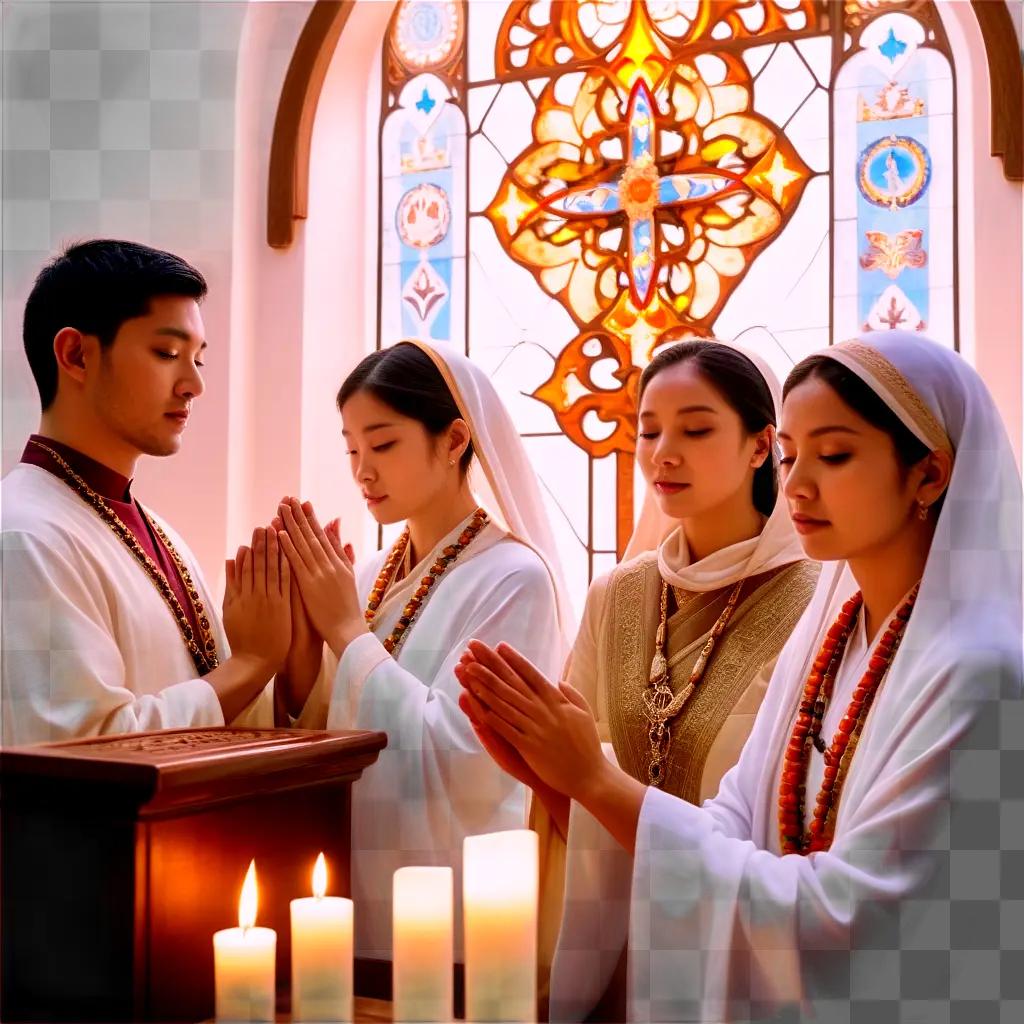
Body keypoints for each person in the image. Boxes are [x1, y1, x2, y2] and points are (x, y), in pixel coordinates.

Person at [459, 331, 1022, 1021]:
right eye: (792, 456)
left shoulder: (981, 673)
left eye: (835, 455)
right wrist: (568, 783)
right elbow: (735, 825)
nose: (799, 484)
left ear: (929, 475)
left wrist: (598, 781)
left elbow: (855, 922)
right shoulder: (832, 637)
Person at [463, 337, 819, 1007]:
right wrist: (548, 778)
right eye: (649, 431)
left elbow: (789, 824)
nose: (663, 452)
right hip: (626, 952)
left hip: (743, 956)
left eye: (696, 429)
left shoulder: (817, 600)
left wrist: (587, 777)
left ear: (759, 443)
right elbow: (582, 807)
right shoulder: (617, 596)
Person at [272, 339, 572, 963]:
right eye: (352, 449)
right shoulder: (368, 575)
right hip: (350, 871)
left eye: (383, 445)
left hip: (450, 902)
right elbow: (329, 724)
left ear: (456, 439)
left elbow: (471, 761)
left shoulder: (514, 577)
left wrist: (348, 636)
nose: (362, 471)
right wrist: (302, 650)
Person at [2, 240, 290, 746]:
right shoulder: (23, 536)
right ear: (76, 355)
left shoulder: (160, 535)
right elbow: (80, 750)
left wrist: (298, 644)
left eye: (198, 359)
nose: (193, 385)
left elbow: (220, 710)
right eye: (167, 353)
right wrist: (251, 662)